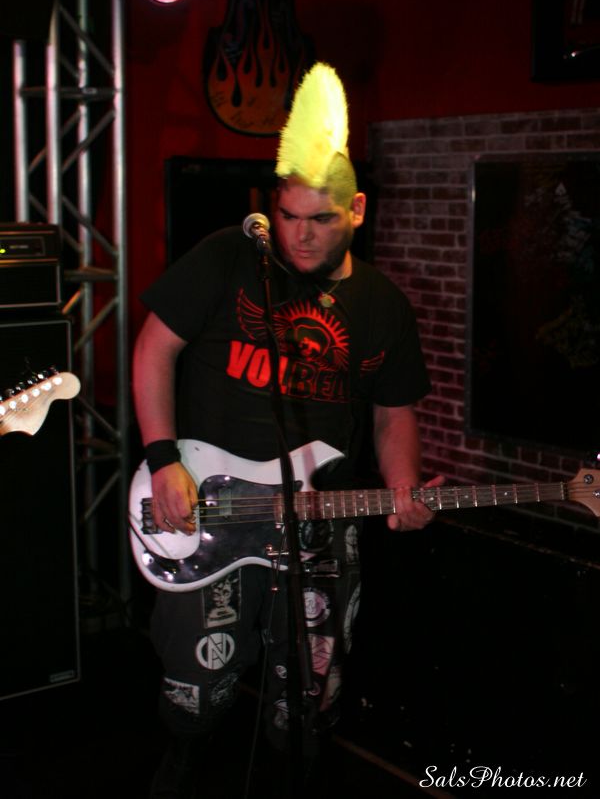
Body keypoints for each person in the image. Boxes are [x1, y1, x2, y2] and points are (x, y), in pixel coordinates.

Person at [132, 63, 436, 798]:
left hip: (320, 513)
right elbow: (154, 350)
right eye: (290, 215)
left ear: (357, 209)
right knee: (197, 678)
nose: (300, 235)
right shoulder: (228, 257)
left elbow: (393, 411)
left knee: (310, 682)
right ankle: (181, 764)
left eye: (320, 220)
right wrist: (164, 458)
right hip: (209, 502)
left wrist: (403, 489)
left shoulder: (383, 305)